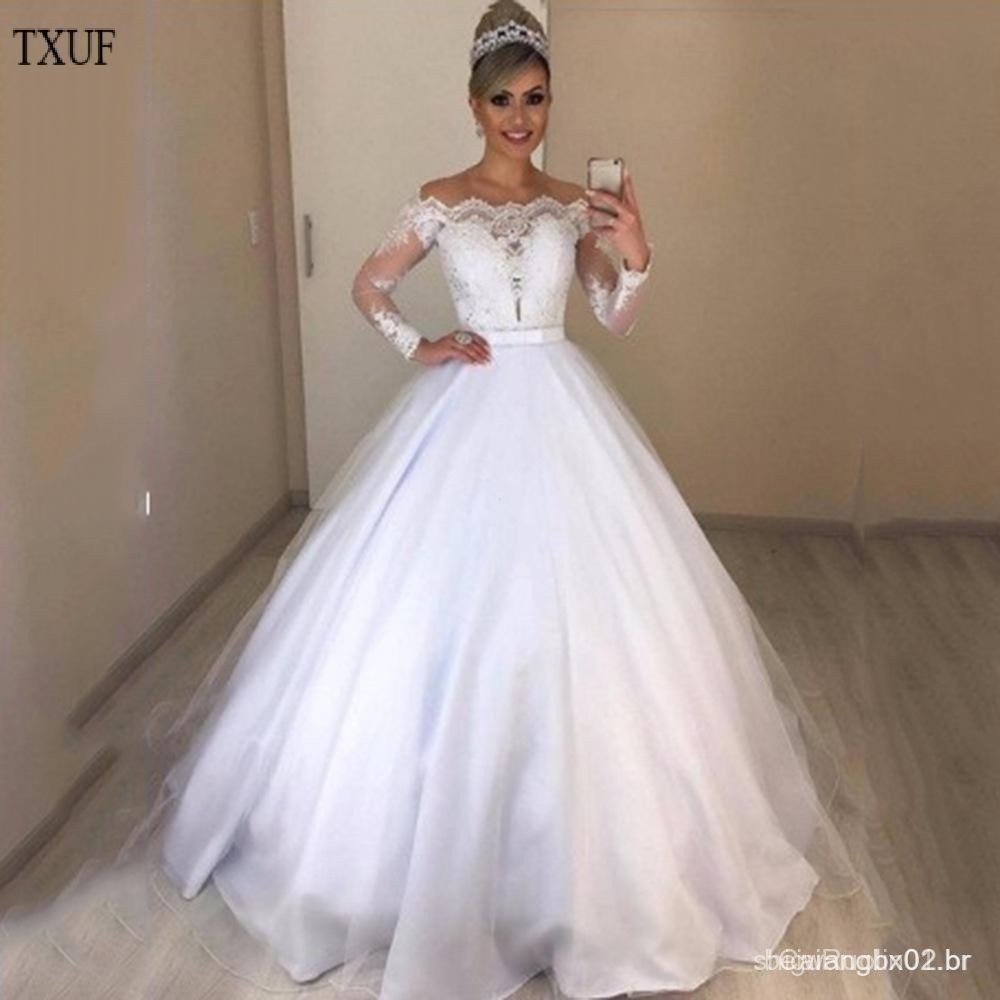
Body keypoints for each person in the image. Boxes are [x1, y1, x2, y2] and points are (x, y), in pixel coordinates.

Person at [2, 3, 924, 999]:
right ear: (473, 103)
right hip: (466, 411)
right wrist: (423, 346)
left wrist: (638, 250)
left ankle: (590, 879)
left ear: (549, 101)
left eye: (536, 98)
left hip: (563, 409)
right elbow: (369, 285)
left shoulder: (572, 205)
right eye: (502, 100)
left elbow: (613, 315)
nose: (520, 118)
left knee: (592, 632)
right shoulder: (440, 202)